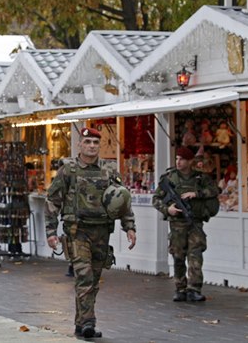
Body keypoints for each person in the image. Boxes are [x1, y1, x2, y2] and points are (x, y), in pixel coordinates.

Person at [45, 127, 137, 339]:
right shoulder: (68, 170)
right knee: (84, 276)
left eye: (96, 142)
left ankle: (81, 323)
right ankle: (88, 323)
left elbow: (122, 200)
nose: (92, 146)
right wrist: (51, 231)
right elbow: (53, 200)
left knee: (93, 280)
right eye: (87, 142)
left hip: (102, 232)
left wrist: (129, 226)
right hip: (78, 232)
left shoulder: (109, 170)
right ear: (80, 144)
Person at [152, 146, 220, 303]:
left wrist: (196, 194)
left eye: (182, 159)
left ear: (190, 161)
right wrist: (168, 209)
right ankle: (180, 288)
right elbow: (156, 199)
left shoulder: (200, 178)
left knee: (195, 254)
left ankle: (194, 288)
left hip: (195, 221)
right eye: (176, 158)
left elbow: (215, 190)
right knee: (178, 256)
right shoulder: (170, 178)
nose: (178, 161)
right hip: (177, 224)